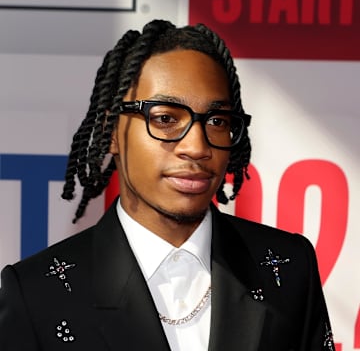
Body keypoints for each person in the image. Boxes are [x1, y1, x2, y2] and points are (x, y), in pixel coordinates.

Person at [0, 19, 335, 351]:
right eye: (165, 118)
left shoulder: (287, 268)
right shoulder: (37, 294)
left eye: (216, 121)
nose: (197, 147)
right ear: (112, 132)